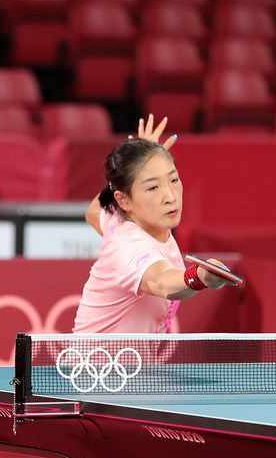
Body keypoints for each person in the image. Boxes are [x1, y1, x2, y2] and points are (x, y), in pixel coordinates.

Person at [74, 114, 230, 334]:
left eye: (173, 180)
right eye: (153, 187)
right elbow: (161, 282)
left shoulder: (116, 218)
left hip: (132, 367)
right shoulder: (128, 246)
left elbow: (93, 212)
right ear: (123, 199)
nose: (170, 196)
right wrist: (200, 277)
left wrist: (133, 160)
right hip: (97, 367)